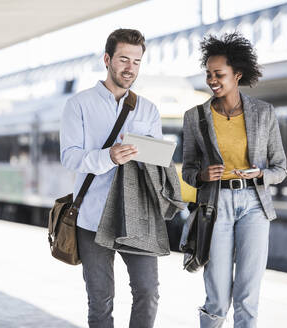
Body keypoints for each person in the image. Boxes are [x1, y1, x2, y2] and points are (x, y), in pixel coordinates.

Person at [182, 32, 287, 328]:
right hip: (215, 206)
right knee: (216, 294)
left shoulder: (264, 113)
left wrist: (261, 175)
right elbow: (188, 169)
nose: (212, 80)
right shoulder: (195, 117)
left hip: (255, 204)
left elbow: (281, 168)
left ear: (237, 74)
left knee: (247, 294)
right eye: (209, 74)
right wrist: (201, 175)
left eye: (219, 74)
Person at [60, 29, 163, 328]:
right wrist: (109, 156)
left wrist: (153, 159)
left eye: (137, 61)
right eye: (123, 59)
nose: (130, 67)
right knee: (101, 300)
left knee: (148, 291)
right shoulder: (78, 105)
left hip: (138, 216)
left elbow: (156, 161)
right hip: (92, 216)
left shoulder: (149, 109)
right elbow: (70, 157)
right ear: (108, 59)